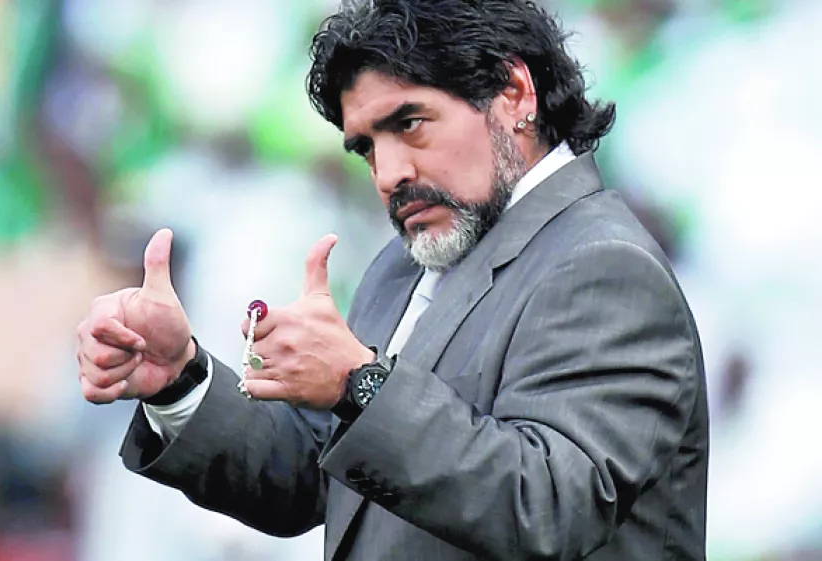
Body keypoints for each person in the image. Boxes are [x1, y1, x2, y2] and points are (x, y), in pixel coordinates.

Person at [74, 1, 709, 559]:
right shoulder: (402, 266)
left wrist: (359, 384)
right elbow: (316, 478)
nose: (387, 173)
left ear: (515, 93)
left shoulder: (603, 264)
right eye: (367, 147)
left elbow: (549, 506)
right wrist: (180, 379)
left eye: (409, 124)